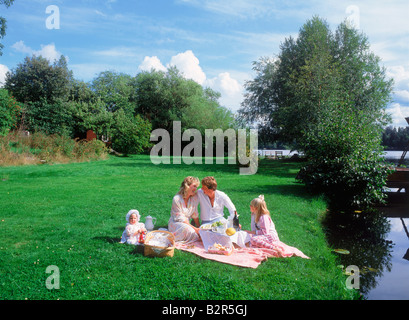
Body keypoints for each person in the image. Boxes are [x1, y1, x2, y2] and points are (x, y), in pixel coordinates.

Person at [245, 195, 310, 259]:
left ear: (256, 207)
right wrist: (250, 233)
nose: (249, 206)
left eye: (251, 205)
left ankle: (275, 249)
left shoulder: (263, 217)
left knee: (253, 240)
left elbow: (265, 232)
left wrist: (251, 233)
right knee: (250, 240)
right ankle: (264, 249)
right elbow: (254, 229)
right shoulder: (254, 215)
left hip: (270, 237)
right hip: (263, 236)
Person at [168, 176, 200, 243]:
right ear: (187, 186)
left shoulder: (194, 198)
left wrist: (199, 227)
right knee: (190, 231)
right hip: (176, 223)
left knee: (195, 232)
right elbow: (180, 218)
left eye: (196, 187)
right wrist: (195, 229)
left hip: (187, 224)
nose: (196, 189)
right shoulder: (177, 199)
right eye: (194, 186)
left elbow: (195, 214)